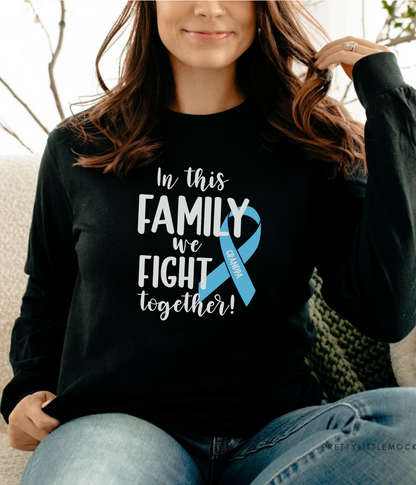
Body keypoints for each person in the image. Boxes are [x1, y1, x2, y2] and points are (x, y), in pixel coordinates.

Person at [1, 1, 416, 484]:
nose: (209, 8)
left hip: (279, 439)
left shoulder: (313, 145)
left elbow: (389, 309)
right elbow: (49, 292)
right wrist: (25, 391)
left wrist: (389, 101)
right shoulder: (83, 146)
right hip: (121, 430)